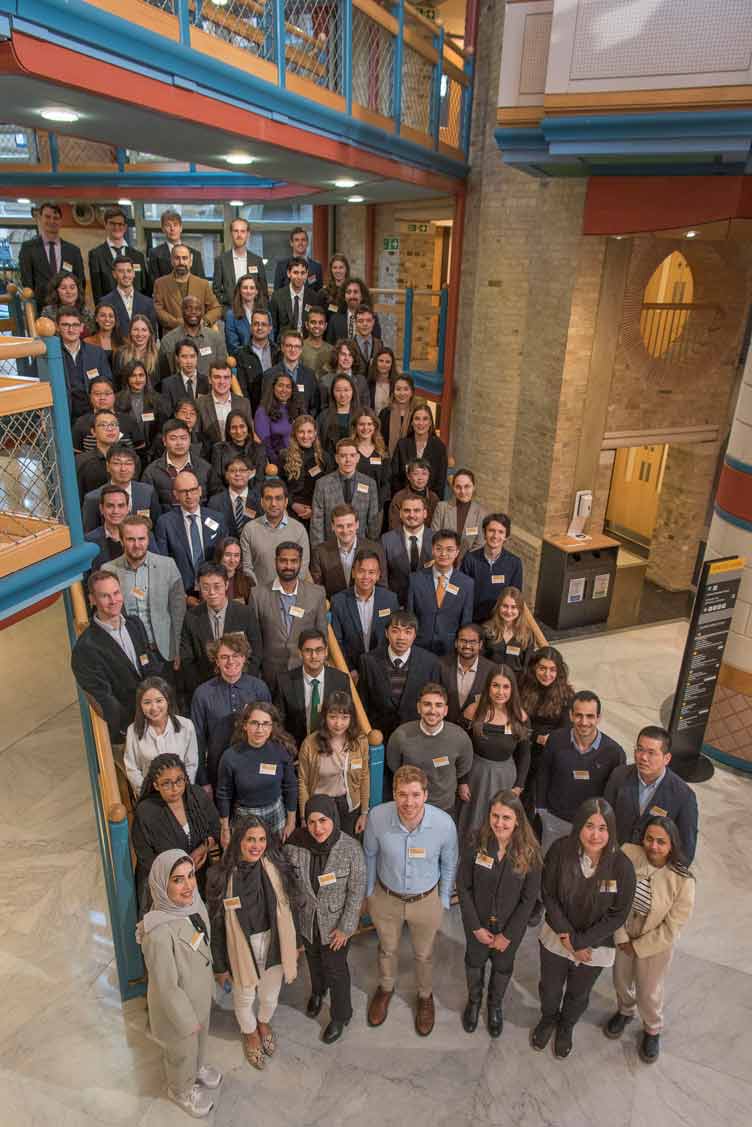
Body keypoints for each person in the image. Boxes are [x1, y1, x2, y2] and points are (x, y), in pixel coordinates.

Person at [533, 798, 636, 1058]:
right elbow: (548, 894)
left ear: (611, 831)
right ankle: (548, 1018)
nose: (595, 834)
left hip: (594, 948)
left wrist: (581, 943)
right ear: (579, 825)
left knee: (579, 994)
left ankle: (566, 1027)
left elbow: (618, 914)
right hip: (557, 938)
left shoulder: (622, 866)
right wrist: (568, 939)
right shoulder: (560, 850)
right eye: (590, 826)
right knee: (550, 988)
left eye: (603, 828)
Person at [364, 765, 459, 1036]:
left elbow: (450, 863)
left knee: (424, 954)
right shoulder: (377, 818)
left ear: (426, 795)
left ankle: (425, 996)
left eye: (415, 795)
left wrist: (442, 899)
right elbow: (370, 854)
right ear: (393, 794)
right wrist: (370, 891)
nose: (409, 802)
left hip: (426, 900)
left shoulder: (443, 824)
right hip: (386, 897)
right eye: (402, 794)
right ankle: (385, 988)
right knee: (387, 949)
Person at [208, 816, 299, 1071]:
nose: (256, 846)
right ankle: (249, 1033)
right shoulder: (219, 876)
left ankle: (263, 1022)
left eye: (261, 839)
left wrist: (296, 943)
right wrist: (220, 967)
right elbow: (215, 926)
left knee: (270, 997)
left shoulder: (276, 868)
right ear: (239, 841)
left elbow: (292, 907)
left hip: (273, 943)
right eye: (250, 839)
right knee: (244, 998)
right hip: (240, 949)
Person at [137, 849, 222, 1119]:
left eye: (190, 876)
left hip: (199, 995)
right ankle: (180, 1090)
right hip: (179, 1012)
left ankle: (197, 1070)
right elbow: (166, 987)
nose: (188, 886)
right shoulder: (158, 934)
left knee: (200, 1043)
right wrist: (187, 1021)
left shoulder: (194, 903)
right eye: (177, 880)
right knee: (181, 1054)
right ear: (162, 885)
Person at [605, 816, 696, 1063]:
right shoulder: (627, 853)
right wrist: (622, 936)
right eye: (649, 839)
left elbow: (672, 928)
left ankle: (652, 1027)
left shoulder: (683, 880)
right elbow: (613, 894)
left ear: (671, 845)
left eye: (661, 842)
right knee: (621, 979)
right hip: (624, 929)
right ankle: (625, 1010)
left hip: (656, 942)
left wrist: (638, 947)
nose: (653, 847)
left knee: (648, 990)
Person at [457, 790, 542, 1037]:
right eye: (495, 816)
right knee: (474, 962)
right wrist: (475, 926)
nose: (499, 823)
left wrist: (509, 934)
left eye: (506, 817)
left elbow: (528, 900)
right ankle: (474, 1002)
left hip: (509, 930)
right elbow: (463, 887)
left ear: (518, 820)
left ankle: (494, 1006)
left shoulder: (530, 852)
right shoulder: (475, 842)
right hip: (477, 925)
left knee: (503, 966)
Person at [285, 796, 367, 1043]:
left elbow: (356, 891)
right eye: (311, 822)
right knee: (313, 961)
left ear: (333, 818)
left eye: (323, 821)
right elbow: (289, 886)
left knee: (336, 970)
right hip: (308, 923)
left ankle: (341, 1015)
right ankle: (318, 992)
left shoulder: (351, 849)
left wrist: (346, 928)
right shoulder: (294, 846)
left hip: (335, 928)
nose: (317, 828)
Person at [71, 570, 161, 744]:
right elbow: (105, 700)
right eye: (105, 596)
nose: (113, 601)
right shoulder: (85, 649)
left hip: (156, 716)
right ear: (92, 600)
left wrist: (159, 709)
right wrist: (139, 727)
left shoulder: (135, 624)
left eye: (116, 593)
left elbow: (149, 665)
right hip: (130, 733)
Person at [536, 691, 627, 853]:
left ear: (598, 718)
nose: (584, 722)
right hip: (555, 821)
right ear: (571, 715)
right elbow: (544, 774)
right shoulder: (556, 740)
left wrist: (602, 828)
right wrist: (542, 810)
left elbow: (615, 795)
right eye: (579, 715)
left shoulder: (614, 752)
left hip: (590, 828)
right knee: (550, 868)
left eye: (590, 716)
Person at [132, 754, 220, 906]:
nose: (175, 788)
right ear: (155, 785)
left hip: (198, 874)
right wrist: (179, 872)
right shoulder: (146, 811)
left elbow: (215, 828)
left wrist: (202, 849)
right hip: (165, 884)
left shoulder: (197, 795)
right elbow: (145, 856)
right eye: (166, 783)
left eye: (179, 780)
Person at [604, 726, 699, 863]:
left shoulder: (684, 796)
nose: (643, 757)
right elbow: (604, 819)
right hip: (614, 860)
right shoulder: (619, 775)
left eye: (651, 753)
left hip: (652, 870)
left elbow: (686, 849)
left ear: (666, 758)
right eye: (640, 749)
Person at [103, 514, 186, 667]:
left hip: (164, 651)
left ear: (148, 539)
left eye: (141, 539)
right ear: (121, 540)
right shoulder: (109, 570)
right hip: (130, 654)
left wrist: (179, 649)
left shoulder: (168, 566)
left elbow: (178, 611)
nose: (137, 545)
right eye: (130, 539)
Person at [190, 635, 272, 790]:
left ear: (244, 658)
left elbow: (271, 730)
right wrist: (203, 779)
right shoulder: (202, 694)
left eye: (236, 656)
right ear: (216, 661)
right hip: (218, 772)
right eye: (224, 657)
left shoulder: (259, 688)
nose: (231, 661)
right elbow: (197, 739)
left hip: (256, 767)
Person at [460, 666, 530, 842]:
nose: (500, 692)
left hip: (505, 777)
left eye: (506, 687)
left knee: (500, 823)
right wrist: (463, 781)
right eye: (495, 685)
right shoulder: (472, 711)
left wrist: (519, 785)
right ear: (487, 687)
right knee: (473, 823)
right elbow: (461, 750)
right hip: (476, 775)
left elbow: (524, 755)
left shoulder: (520, 716)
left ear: (512, 689)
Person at [386, 682, 473, 816]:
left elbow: (462, 769)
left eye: (438, 705)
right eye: (427, 704)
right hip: (410, 806)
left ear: (445, 710)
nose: (432, 710)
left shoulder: (460, 737)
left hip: (444, 807)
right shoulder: (400, 736)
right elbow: (394, 767)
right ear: (418, 707)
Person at [249, 542, 328, 688]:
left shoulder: (317, 593)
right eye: (283, 560)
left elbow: (322, 634)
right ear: (275, 562)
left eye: (293, 561)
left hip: (305, 671)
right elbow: (254, 639)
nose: (288, 566)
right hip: (270, 674)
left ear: (300, 563)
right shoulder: (257, 594)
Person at [216, 702, 298, 842]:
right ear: (245, 725)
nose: (260, 729)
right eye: (255, 723)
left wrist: (291, 822)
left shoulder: (280, 751)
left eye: (266, 724)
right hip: (245, 816)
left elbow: (290, 786)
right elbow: (223, 794)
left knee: (276, 860)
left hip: (275, 814)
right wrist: (224, 829)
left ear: (272, 727)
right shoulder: (230, 757)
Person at [357, 611, 441, 745]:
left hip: (417, 736)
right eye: (395, 631)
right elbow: (363, 702)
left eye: (408, 632)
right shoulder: (368, 660)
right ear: (386, 633)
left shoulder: (430, 662)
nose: (401, 637)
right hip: (378, 737)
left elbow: (435, 702)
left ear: (414, 635)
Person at [180, 560, 263, 692]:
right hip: (206, 688)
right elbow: (187, 660)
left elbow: (256, 653)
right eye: (205, 587)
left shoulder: (245, 613)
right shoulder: (191, 617)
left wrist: (242, 681)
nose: (211, 592)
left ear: (226, 585)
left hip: (242, 685)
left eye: (217, 586)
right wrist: (204, 689)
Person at [296, 692, 370, 835]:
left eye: (344, 717)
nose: (338, 723)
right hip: (320, 807)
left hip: (349, 807)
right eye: (333, 717)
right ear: (324, 717)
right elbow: (303, 782)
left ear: (351, 718)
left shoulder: (360, 741)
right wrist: (304, 817)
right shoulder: (309, 744)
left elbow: (364, 776)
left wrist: (364, 812)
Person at [519, 647, 575, 827]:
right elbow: (516, 721)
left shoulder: (566, 695)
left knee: (535, 801)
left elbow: (566, 730)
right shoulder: (522, 687)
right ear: (534, 667)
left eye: (552, 669)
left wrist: (547, 738)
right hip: (522, 748)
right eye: (542, 668)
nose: (547, 674)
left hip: (547, 756)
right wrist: (536, 736)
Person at [154, 470, 227, 597]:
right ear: (175, 494)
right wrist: (182, 596)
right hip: (181, 592)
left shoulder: (217, 519)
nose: (189, 495)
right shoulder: (165, 523)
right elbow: (162, 564)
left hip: (213, 591)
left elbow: (224, 557)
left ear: (200, 491)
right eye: (183, 491)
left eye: (193, 490)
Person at [274, 628, 350, 748]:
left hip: (332, 748)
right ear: (300, 653)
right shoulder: (284, 681)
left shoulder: (341, 680)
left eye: (319, 650)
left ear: (326, 652)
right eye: (308, 651)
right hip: (296, 749)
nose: (314, 656)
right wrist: (290, 750)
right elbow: (278, 723)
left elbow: (347, 716)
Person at [125, 677, 199, 794]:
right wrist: (149, 792)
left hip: (182, 793)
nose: (154, 708)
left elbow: (191, 764)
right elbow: (132, 769)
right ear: (140, 705)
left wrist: (180, 790)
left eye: (159, 701)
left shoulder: (186, 726)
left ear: (168, 701)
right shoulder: (132, 731)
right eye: (147, 702)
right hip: (150, 796)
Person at [408, 528, 474, 656]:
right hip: (419, 647)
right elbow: (410, 616)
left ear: (457, 552)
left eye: (449, 549)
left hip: (450, 650)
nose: (443, 554)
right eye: (439, 549)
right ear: (432, 550)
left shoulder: (466, 584)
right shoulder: (416, 579)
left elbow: (465, 621)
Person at [331, 548, 398, 672]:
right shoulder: (338, 601)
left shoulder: (390, 599)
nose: (366, 577)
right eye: (361, 571)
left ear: (378, 575)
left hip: (384, 668)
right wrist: (349, 669)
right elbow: (337, 642)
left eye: (371, 572)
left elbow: (393, 636)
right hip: (352, 670)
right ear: (353, 573)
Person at [310, 438, 381, 547]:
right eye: (343, 456)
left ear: (358, 458)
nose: (348, 460)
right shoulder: (322, 484)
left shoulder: (370, 484)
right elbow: (317, 522)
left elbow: (373, 521)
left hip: (361, 547)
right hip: (330, 547)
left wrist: (370, 548)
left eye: (352, 455)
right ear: (336, 458)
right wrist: (318, 551)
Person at [240, 478, 310, 587]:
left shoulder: (299, 530)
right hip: (259, 596)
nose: (273, 503)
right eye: (268, 498)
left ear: (286, 502)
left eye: (278, 498)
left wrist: (288, 590)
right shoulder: (249, 529)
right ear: (262, 502)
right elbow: (247, 568)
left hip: (291, 595)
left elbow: (303, 567)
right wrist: (260, 594)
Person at [310, 504, 386, 599]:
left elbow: (382, 586)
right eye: (340, 526)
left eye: (349, 525)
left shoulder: (375, 549)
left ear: (357, 524)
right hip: (332, 608)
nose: (345, 531)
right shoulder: (320, 552)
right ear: (332, 526)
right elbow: (317, 589)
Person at [461, 513, 524, 624]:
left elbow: (516, 597)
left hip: (500, 623)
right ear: (484, 533)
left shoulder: (514, 563)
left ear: (506, 536)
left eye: (501, 532)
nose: (495, 536)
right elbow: (463, 595)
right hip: (474, 622)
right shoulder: (470, 559)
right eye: (491, 530)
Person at [82, 443, 161, 532]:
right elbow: (90, 535)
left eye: (128, 463)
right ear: (108, 466)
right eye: (117, 463)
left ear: (135, 466)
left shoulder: (147, 492)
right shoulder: (93, 498)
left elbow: (155, 527)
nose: (123, 469)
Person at [143, 420, 220, 509]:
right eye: (173, 438)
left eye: (183, 438)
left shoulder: (205, 468)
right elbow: (148, 506)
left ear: (190, 439)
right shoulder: (152, 472)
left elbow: (216, 500)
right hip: (166, 521)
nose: (179, 443)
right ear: (164, 441)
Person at [20, 200, 85, 305]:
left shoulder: (73, 251)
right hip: (42, 309)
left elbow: (80, 282)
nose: (52, 221)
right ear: (40, 218)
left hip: (70, 310)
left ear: (61, 221)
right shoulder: (28, 249)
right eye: (47, 217)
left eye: (55, 218)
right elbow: (27, 283)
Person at [57, 307, 113, 420]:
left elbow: (108, 383)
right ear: (57, 327)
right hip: (63, 413)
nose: (71, 329)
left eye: (75, 325)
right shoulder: (50, 355)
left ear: (82, 327)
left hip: (93, 412)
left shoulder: (96, 353)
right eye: (65, 325)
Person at [88, 205, 150, 303]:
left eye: (120, 224)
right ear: (105, 225)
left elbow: (146, 288)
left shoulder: (138, 256)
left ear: (125, 227)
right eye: (112, 223)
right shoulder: (96, 255)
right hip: (111, 311)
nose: (117, 227)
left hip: (137, 312)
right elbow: (97, 292)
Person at [159, 295, 228, 383]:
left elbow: (223, 370)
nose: (193, 312)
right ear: (182, 311)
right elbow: (165, 377)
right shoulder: (168, 340)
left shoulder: (216, 338)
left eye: (198, 309)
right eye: (188, 308)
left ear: (202, 312)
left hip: (210, 391)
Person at [381, 492, 434, 607]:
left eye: (416, 510)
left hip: (428, 604)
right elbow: (383, 578)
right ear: (400, 514)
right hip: (396, 604)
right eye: (407, 510)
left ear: (425, 513)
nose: (411, 515)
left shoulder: (436, 539)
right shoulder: (387, 540)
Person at [438, 622, 496, 725]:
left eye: (473, 642)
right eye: (463, 641)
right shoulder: (441, 665)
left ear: (480, 645)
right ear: (456, 643)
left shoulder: (491, 670)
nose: (467, 646)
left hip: (475, 730)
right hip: (445, 728)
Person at [153, 244, 221, 332]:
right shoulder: (160, 283)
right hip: (172, 335)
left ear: (190, 261)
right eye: (177, 258)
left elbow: (216, 308)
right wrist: (180, 324)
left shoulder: (202, 284)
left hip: (198, 335)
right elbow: (159, 311)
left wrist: (204, 321)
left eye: (185, 258)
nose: (181, 262)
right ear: (171, 261)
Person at [280, 414, 330, 528]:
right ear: (294, 434)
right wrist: (292, 505)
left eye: (309, 431)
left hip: (317, 511)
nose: (305, 436)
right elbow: (280, 485)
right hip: (290, 510)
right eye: (301, 432)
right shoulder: (284, 456)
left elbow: (328, 488)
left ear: (315, 433)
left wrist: (314, 509)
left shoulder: (324, 457)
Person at [213, 216, 268, 313]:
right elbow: (216, 292)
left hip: (254, 314)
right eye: (236, 231)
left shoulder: (257, 261)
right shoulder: (221, 261)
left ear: (248, 234)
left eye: (243, 231)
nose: (239, 235)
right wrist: (225, 312)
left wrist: (259, 311)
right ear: (231, 233)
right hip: (229, 313)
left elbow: (263, 292)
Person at [71, 378, 140, 455]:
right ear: (90, 396)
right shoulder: (81, 423)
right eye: (97, 394)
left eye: (107, 394)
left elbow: (140, 451)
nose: (102, 398)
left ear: (115, 395)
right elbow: (76, 455)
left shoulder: (129, 421)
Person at [392, 404, 447, 499]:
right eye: (417, 419)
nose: (421, 423)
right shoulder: (402, 445)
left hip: (429, 501)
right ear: (412, 422)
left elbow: (440, 482)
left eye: (425, 419)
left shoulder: (439, 447)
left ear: (430, 423)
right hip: (404, 500)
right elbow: (395, 477)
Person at [262, 328, 320, 418]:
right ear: (282, 347)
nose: (293, 350)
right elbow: (265, 407)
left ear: (301, 349)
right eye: (289, 346)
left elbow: (314, 407)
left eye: (297, 346)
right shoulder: (269, 375)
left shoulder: (310, 375)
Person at [432, 469, 486, 558]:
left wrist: (465, 563)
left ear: (474, 487)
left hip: (468, 564)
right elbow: (434, 536)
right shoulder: (441, 507)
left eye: (467, 486)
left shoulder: (481, 513)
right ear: (453, 487)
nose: (463, 491)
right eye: (458, 487)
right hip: (442, 559)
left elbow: (479, 545)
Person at [101, 254, 158, 336]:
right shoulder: (105, 302)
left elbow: (153, 333)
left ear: (134, 273)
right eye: (121, 271)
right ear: (114, 274)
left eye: (129, 271)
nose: (126, 275)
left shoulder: (148, 302)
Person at [196, 363, 251, 445]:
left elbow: (248, 433)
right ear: (210, 380)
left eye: (226, 377)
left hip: (239, 454)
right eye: (217, 377)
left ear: (231, 379)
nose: (222, 382)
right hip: (209, 455)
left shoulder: (243, 403)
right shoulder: (199, 404)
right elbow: (196, 436)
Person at [482, 587, 534, 673]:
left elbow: (527, 667)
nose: (509, 611)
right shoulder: (486, 630)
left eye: (513, 607)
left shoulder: (527, 634)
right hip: (490, 681)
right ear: (498, 606)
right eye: (505, 606)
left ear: (520, 610)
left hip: (516, 683)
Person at [254, 372, 303, 464]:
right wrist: (279, 465)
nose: (284, 390)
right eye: (280, 385)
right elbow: (266, 446)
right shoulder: (263, 411)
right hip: (279, 463)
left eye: (288, 386)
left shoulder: (298, 409)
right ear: (273, 387)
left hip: (299, 460)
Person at [115, 360, 165, 450]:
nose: (138, 380)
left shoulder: (158, 399)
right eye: (133, 376)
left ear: (146, 377)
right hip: (126, 449)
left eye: (141, 375)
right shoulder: (117, 400)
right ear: (127, 378)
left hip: (152, 449)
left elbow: (162, 428)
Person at [235, 310, 277, 409]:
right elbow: (243, 389)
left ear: (270, 328)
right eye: (256, 324)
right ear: (251, 327)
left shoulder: (278, 352)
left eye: (264, 324)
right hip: (252, 408)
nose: (259, 328)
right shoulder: (241, 354)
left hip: (276, 407)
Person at [148, 209, 206, 281]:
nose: (172, 229)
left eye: (175, 225)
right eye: (168, 225)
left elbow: (201, 283)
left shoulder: (195, 254)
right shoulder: (155, 254)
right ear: (163, 229)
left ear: (181, 228)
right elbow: (153, 284)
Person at [351, 407, 391, 510]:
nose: (365, 428)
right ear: (355, 426)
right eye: (361, 424)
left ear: (375, 426)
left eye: (369, 424)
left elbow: (386, 482)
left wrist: (377, 504)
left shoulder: (382, 450)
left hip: (376, 507)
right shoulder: (349, 449)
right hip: (352, 507)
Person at [269, 256, 320, 338]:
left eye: (303, 273)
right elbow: (273, 327)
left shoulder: (314, 297)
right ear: (288, 273)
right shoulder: (277, 296)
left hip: (306, 344)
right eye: (295, 272)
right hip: (284, 344)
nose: (299, 277)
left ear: (307, 274)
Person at [210, 411, 266, 485]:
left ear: (248, 428)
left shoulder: (259, 449)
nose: (238, 431)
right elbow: (216, 483)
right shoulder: (219, 450)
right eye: (233, 427)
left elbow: (260, 481)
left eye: (242, 426)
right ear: (228, 430)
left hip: (253, 495)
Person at [84, 485, 129, 570]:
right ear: (101, 509)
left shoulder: (143, 535)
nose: (115, 511)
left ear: (127, 509)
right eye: (110, 506)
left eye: (121, 506)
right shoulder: (89, 541)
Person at [379, 373, 424, 455]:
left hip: (414, 460)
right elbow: (378, 439)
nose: (402, 393)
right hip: (388, 460)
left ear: (412, 392)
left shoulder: (418, 413)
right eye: (398, 389)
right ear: (393, 391)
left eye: (406, 389)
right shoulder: (385, 413)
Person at [316, 374, 361, 457]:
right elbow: (318, 444)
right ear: (332, 392)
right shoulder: (323, 417)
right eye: (338, 390)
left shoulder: (361, 415)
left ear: (353, 391)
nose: (342, 395)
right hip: (330, 464)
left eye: (346, 390)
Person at [112, 313, 159, 390]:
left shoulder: (158, 355)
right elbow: (117, 384)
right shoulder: (120, 354)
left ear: (150, 333)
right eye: (135, 330)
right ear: (130, 332)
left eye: (144, 330)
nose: (139, 334)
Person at [326, 278, 381, 342]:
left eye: (355, 292)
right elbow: (330, 345)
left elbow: (377, 344)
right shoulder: (334, 319)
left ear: (362, 296)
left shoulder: (372, 318)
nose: (352, 296)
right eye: (348, 292)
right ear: (344, 296)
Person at [159, 339, 209, 411]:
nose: (189, 361)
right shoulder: (168, 384)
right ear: (177, 358)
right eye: (184, 356)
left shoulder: (207, 381)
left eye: (192, 356)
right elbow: (166, 414)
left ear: (197, 357)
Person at [319, 339, 369, 410]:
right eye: (343, 354)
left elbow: (366, 409)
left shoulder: (361, 381)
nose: (346, 358)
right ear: (336, 356)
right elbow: (323, 409)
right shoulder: (325, 381)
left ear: (354, 358)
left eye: (350, 355)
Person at [223, 273, 266, 353]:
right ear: (239, 290)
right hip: (242, 360)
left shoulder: (266, 313)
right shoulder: (231, 315)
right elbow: (233, 347)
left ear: (257, 291)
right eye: (245, 288)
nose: (248, 291)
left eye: (252, 288)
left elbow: (270, 341)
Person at [41, 270, 94, 334]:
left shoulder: (85, 311)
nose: (68, 291)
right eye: (63, 288)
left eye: (72, 287)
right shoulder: (48, 312)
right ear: (56, 291)